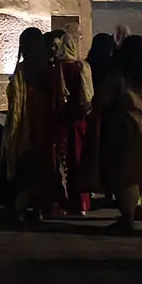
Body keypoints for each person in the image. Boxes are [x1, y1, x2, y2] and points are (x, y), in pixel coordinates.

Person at [96, 34, 142, 231]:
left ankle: (128, 217)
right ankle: (137, 209)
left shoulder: (118, 76)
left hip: (122, 128)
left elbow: (103, 100)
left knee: (122, 173)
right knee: (137, 171)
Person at [3, 27, 62, 223]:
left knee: (24, 171)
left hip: (25, 128)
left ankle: (20, 210)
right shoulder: (50, 70)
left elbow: (15, 103)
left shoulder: (22, 70)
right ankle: (38, 210)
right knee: (41, 171)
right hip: (45, 128)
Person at [53, 30, 92, 216]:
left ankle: (66, 203)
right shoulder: (82, 67)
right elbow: (87, 98)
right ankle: (82, 203)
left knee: (63, 161)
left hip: (62, 122)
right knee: (79, 160)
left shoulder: (57, 69)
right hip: (79, 122)